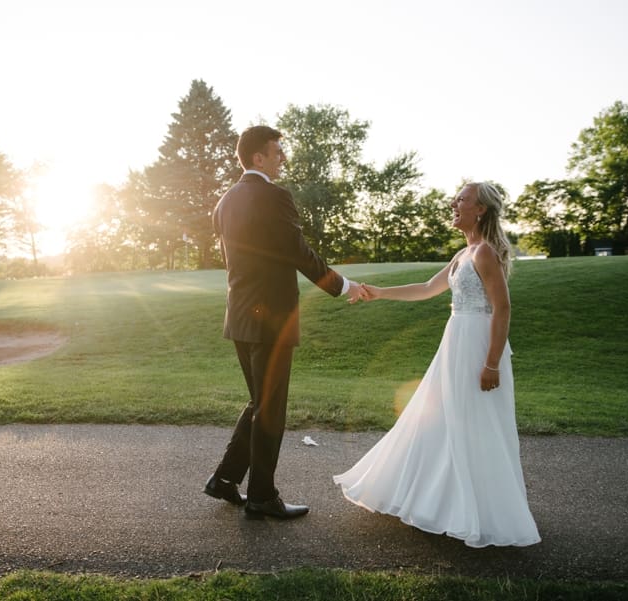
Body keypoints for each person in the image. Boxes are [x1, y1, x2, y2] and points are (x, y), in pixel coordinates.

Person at [334, 181, 541, 547]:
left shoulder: (485, 253)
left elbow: (503, 308)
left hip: (477, 347)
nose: (454, 203)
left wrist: (491, 363)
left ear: (480, 209)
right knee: (445, 420)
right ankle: (447, 504)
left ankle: (483, 512)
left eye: (462, 199)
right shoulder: (464, 254)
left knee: (476, 424)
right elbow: (427, 288)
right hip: (456, 344)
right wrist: (379, 293)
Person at [205, 125, 363, 520]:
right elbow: (298, 252)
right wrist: (343, 286)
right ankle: (261, 496)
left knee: (261, 403)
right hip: (271, 318)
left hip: (239, 317)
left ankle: (224, 480)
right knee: (270, 409)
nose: (283, 157)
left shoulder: (224, 202)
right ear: (258, 157)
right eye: (277, 152)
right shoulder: (275, 197)